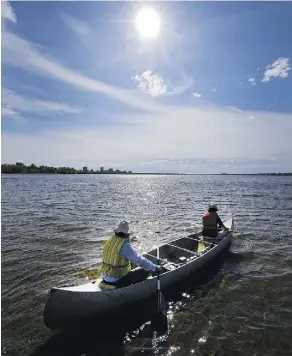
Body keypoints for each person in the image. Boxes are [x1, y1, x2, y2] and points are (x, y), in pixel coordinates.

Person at [99, 220, 161, 289]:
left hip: (105, 276)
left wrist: (129, 241)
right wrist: (154, 267)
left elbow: (118, 247)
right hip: (117, 280)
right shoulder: (125, 246)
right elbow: (139, 260)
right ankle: (134, 288)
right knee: (146, 269)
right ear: (126, 234)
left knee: (130, 263)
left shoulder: (110, 240)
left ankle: (107, 283)